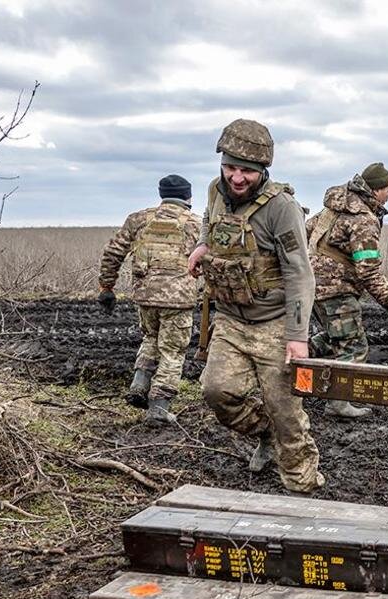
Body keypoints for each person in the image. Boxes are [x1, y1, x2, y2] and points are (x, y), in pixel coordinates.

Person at [186, 118, 324, 491]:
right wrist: (203, 245)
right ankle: (265, 433)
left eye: (246, 171)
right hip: (230, 319)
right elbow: (208, 219)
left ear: (263, 170)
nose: (237, 178)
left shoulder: (282, 208)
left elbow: (300, 273)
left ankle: (302, 486)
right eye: (230, 167)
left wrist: (297, 336)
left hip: (275, 323)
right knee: (217, 393)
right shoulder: (216, 190)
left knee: (287, 413)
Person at [97, 175, 200, 425]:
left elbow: (113, 252)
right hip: (179, 300)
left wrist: (106, 286)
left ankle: (139, 385)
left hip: (146, 296)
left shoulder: (138, 219)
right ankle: (159, 409)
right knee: (173, 352)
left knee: (151, 338)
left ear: (161, 194)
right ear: (188, 197)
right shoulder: (196, 224)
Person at [306, 163, 388, 418]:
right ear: (376, 190)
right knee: (353, 345)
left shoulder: (333, 207)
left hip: (311, 285)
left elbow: (306, 232)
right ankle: (339, 403)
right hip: (336, 290)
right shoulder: (364, 220)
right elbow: (368, 271)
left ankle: (298, 359)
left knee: (334, 337)